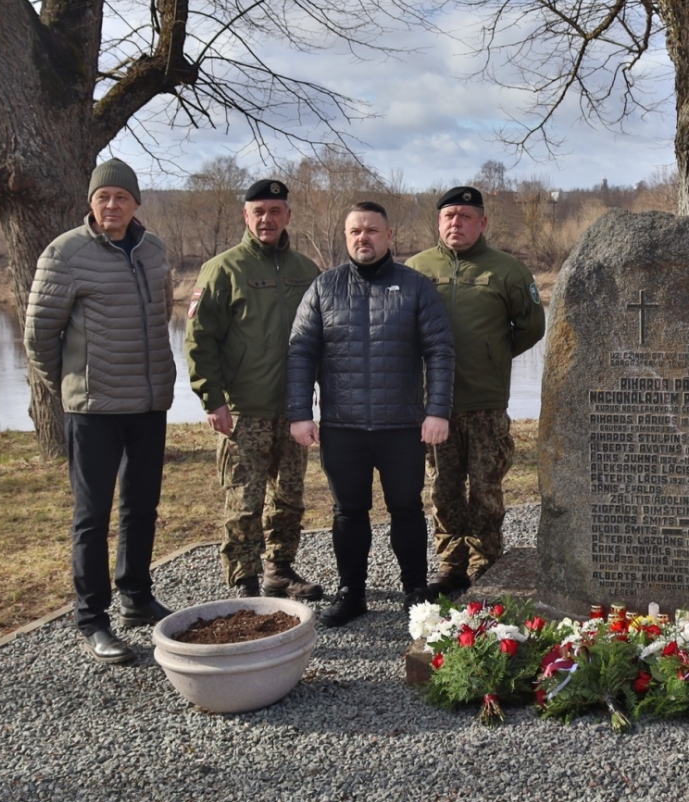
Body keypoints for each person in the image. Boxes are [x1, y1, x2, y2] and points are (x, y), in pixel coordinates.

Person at [24, 157, 177, 664]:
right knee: (92, 517)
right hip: (93, 410)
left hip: (148, 404)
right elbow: (39, 336)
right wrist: (71, 387)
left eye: (121, 197)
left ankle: (135, 595)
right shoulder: (65, 253)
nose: (112, 205)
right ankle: (92, 618)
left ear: (135, 203)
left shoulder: (154, 250)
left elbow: (162, 314)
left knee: (141, 506)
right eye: (103, 197)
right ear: (91, 203)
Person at [288, 202, 455, 627]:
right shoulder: (324, 288)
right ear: (346, 237)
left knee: (407, 508)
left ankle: (415, 589)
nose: (363, 237)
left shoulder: (416, 287)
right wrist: (300, 412)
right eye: (355, 231)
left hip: (402, 425)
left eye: (372, 230)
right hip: (342, 426)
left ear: (389, 235)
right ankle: (352, 592)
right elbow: (301, 351)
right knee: (348, 511)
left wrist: (437, 411)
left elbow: (439, 351)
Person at [185, 179, 323, 600]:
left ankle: (279, 571)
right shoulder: (224, 269)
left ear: (288, 216)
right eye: (258, 211)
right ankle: (244, 581)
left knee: (289, 499)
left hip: (293, 410)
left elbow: (325, 338)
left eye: (275, 211)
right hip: (244, 410)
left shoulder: (307, 271)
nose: (267, 219)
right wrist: (213, 399)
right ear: (246, 216)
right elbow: (199, 339)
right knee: (244, 502)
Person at [405, 186, 545, 596]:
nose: (457, 223)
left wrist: (492, 354)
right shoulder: (416, 269)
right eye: (449, 216)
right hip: (434, 406)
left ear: (482, 223)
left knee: (486, 489)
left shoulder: (507, 270)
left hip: (485, 402)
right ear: (438, 222)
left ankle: (486, 564)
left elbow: (532, 327)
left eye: (465, 217)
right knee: (443, 489)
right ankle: (451, 565)